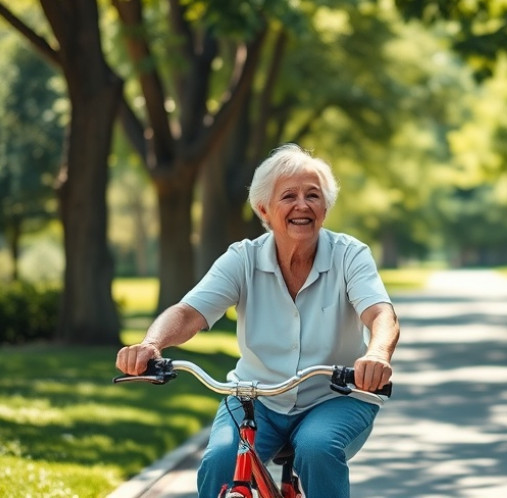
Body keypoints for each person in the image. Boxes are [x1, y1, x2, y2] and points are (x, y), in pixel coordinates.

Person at [116, 144, 400, 498]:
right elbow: (188, 312)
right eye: (289, 196)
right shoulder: (243, 259)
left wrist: (376, 355)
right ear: (264, 209)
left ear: (325, 209)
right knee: (221, 458)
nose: (302, 205)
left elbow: (380, 314)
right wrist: (151, 344)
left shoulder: (349, 255)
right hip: (256, 398)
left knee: (317, 448)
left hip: (336, 395)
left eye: (313, 196)